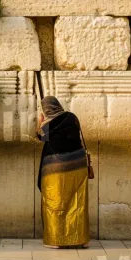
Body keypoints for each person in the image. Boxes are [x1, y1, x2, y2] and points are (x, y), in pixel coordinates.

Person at [36, 96, 89, 249]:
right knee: (77, 201)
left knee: (55, 202)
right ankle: (80, 239)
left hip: (55, 169)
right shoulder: (72, 117)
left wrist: (40, 122)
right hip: (78, 165)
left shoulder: (47, 124)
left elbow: (42, 138)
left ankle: (56, 240)